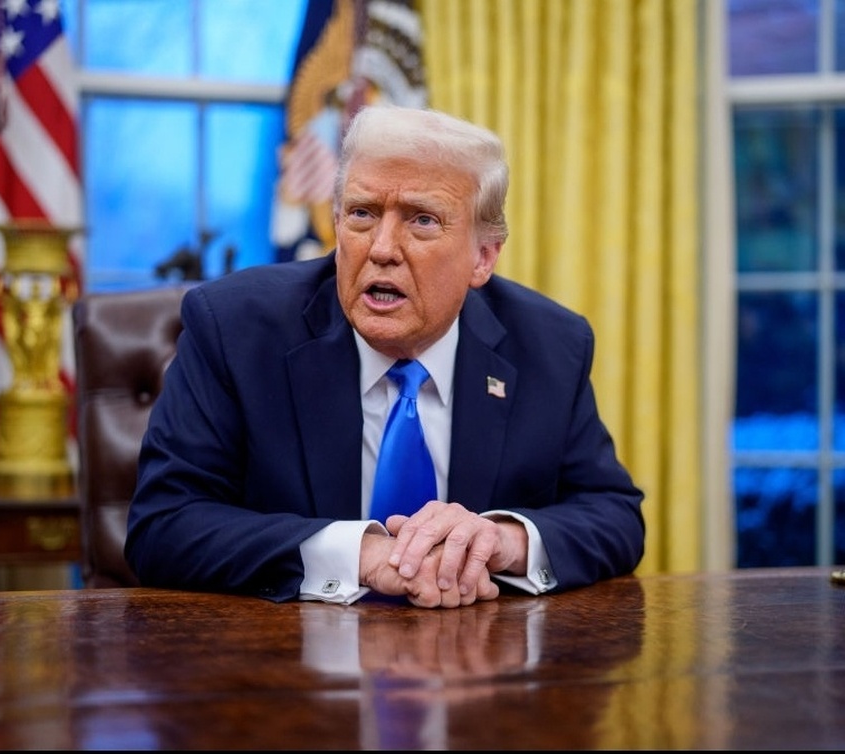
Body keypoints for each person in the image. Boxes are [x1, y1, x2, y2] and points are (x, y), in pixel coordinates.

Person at [124, 104, 645, 609]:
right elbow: (164, 525)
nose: (382, 248)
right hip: (286, 672)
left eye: (421, 220)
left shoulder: (550, 345)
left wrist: (500, 541)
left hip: (478, 669)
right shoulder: (234, 329)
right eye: (362, 214)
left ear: (482, 256)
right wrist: (362, 556)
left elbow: (613, 515)